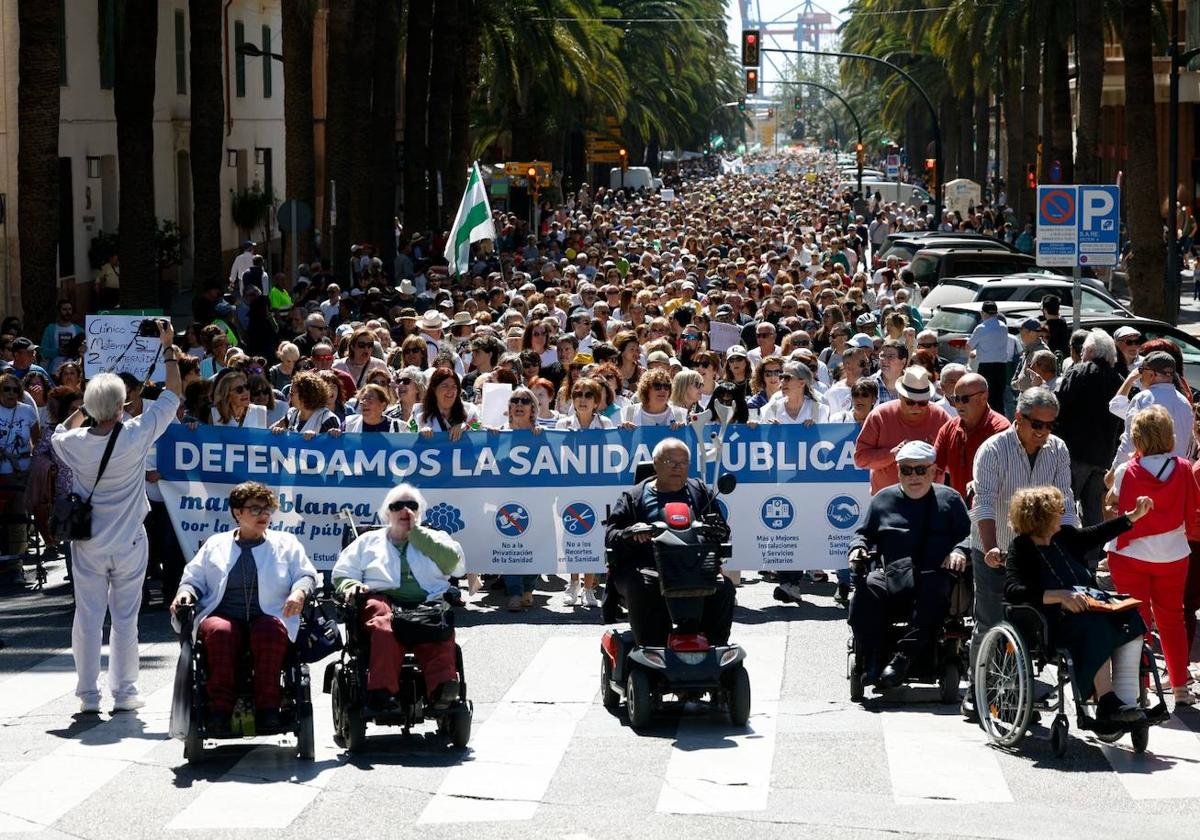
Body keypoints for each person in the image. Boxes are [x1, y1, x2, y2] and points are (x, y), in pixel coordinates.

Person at [51, 320, 181, 713]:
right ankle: (124, 692)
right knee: (126, 618)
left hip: (89, 540)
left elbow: (59, 430)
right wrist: (169, 348)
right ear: (123, 403)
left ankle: (88, 694)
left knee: (88, 618)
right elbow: (173, 394)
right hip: (129, 540)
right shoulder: (137, 433)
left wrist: (86, 411)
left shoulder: (73, 443)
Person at [963, 386, 1078, 721]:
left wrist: (1069, 547)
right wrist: (991, 547)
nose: (1043, 432)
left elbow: (1065, 502)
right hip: (993, 545)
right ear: (1019, 419)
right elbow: (982, 502)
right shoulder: (993, 450)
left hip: (1035, 553)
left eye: (1050, 425)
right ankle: (977, 691)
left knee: (1029, 624)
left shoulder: (1057, 450)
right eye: (1037, 425)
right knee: (988, 621)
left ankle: (1016, 690)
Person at [169, 482, 318, 733]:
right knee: (220, 632)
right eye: (255, 509)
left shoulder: (286, 543)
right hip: (223, 613)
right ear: (237, 513)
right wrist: (184, 593)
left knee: (269, 632)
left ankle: (269, 708)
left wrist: (298, 592)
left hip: (269, 613)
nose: (264, 515)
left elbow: (306, 574)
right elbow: (193, 579)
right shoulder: (216, 544)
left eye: (267, 509)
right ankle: (220, 709)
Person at [1005, 486, 1154, 724]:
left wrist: (1133, 516)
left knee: (1132, 619)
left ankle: (1126, 700)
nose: (1063, 514)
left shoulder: (1064, 537)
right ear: (1042, 517)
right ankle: (1106, 703)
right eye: (1058, 510)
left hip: (1090, 607)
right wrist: (1059, 596)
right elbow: (1013, 591)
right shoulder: (1021, 548)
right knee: (1094, 626)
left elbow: (1098, 533)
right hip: (1055, 621)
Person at [847, 441, 971, 689]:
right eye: (906, 470)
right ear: (898, 471)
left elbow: (971, 535)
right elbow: (862, 534)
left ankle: (903, 658)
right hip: (894, 573)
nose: (914, 476)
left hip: (934, 572)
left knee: (935, 588)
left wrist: (959, 550)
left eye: (920, 470)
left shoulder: (950, 499)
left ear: (934, 470)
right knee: (868, 585)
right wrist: (858, 548)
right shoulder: (883, 500)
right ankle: (873, 659)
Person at [333, 483, 465, 711]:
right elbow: (343, 573)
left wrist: (417, 535)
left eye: (411, 506)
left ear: (419, 511)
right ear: (387, 513)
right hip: (382, 599)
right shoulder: (367, 542)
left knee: (438, 625)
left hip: (427, 602)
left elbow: (454, 565)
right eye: (398, 506)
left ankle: (442, 688)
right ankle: (381, 691)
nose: (405, 511)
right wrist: (352, 586)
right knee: (384, 626)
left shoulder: (435, 537)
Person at [1103, 405, 1199, 705]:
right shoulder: (1184, 467)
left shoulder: (1125, 471)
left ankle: (1139, 687)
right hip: (1173, 554)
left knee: (1134, 621)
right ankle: (1180, 686)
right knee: (1172, 620)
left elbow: (1111, 502)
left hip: (1131, 554)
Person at [603, 438, 735, 646]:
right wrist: (631, 534)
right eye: (670, 462)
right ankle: (652, 650)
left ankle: (714, 650)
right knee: (642, 587)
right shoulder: (634, 496)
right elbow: (612, 535)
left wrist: (716, 531)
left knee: (724, 588)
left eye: (683, 463)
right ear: (655, 463)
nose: (677, 468)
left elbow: (723, 531)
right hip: (648, 569)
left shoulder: (699, 492)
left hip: (692, 569)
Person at [854, 366, 950, 495]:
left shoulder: (940, 416)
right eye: (910, 402)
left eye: (922, 403)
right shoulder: (880, 415)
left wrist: (933, 456)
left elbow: (955, 460)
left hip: (931, 501)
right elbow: (860, 458)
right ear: (900, 395)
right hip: (888, 502)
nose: (916, 407)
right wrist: (892, 454)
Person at [1111, 351, 1193, 468]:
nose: (1140, 376)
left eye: (1141, 371)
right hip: (1177, 474)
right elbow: (1190, 445)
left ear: (1152, 374)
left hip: (1147, 474)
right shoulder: (1185, 403)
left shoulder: (1143, 399)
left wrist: (1114, 471)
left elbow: (1129, 442)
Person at [933, 373, 1009, 499]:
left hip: (992, 509)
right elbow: (935, 469)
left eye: (965, 399)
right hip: (960, 510)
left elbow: (1004, 477)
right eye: (956, 399)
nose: (959, 404)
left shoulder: (1001, 430)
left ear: (983, 398)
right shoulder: (948, 429)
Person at [968, 301, 1010, 412]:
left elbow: (969, 346)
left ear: (983, 313)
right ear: (996, 313)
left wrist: (973, 354)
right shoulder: (1004, 327)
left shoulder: (981, 328)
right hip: (1001, 368)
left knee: (985, 398)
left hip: (986, 368)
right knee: (999, 400)